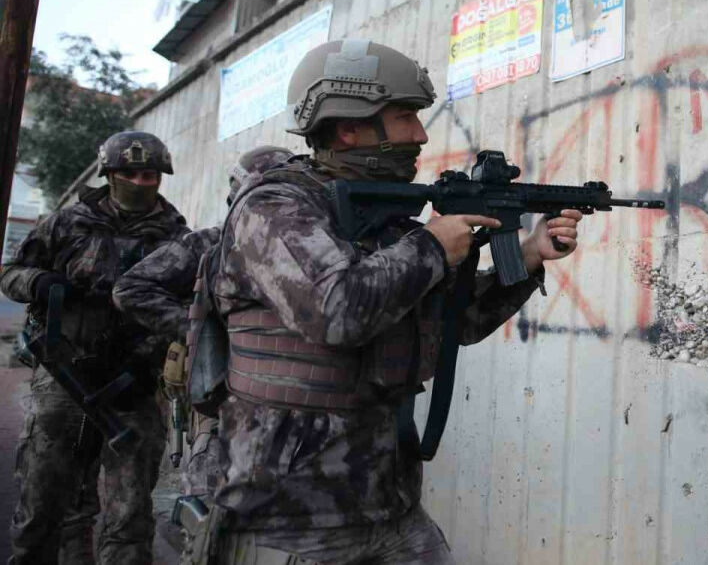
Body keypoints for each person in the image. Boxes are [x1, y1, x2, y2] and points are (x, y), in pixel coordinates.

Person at [195, 39, 584, 564]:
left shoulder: (385, 221)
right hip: (287, 510)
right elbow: (335, 311)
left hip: (385, 497)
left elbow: (456, 324)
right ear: (348, 127)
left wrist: (531, 256)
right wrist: (430, 247)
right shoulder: (274, 207)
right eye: (405, 118)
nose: (421, 135)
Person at [1, 131, 189, 564]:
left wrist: (149, 365)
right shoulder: (68, 222)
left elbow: (186, 310)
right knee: (41, 504)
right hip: (63, 375)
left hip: (134, 385)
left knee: (130, 518)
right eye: (129, 173)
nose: (140, 182)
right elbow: (11, 272)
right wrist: (39, 281)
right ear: (109, 174)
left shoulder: (178, 237)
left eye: (150, 174)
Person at [111, 145, 293, 506]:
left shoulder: (310, 250)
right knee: (209, 505)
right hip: (222, 400)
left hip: (291, 406)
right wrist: (198, 328)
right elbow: (130, 289)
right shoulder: (212, 243)